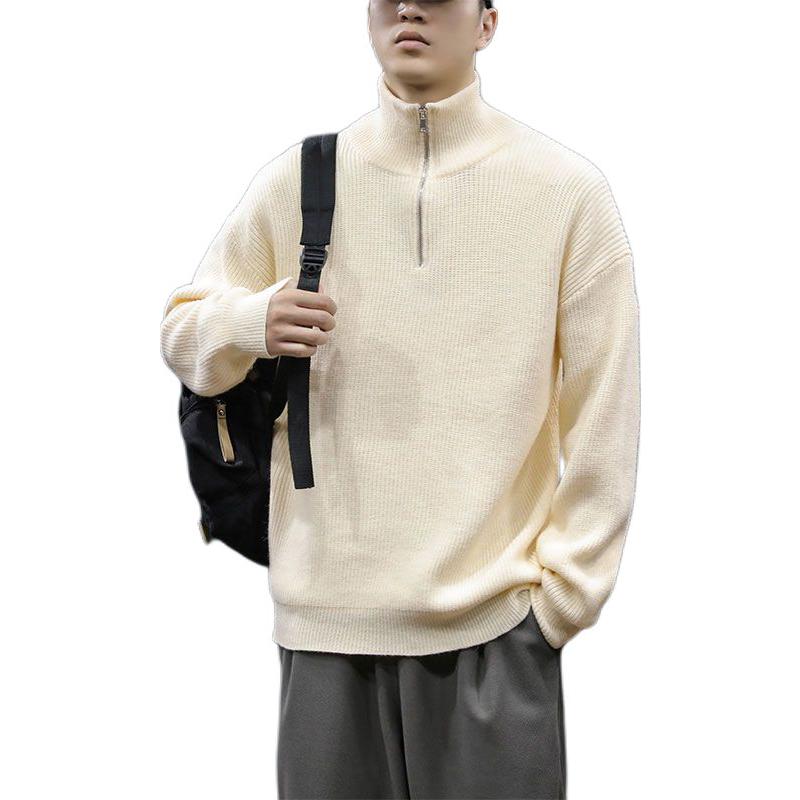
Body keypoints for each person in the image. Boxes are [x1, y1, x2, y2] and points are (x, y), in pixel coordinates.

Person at [159, 1, 641, 797]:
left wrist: (562, 601)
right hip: (324, 629)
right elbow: (183, 335)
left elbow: (604, 413)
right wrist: (250, 321)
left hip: (495, 629)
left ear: (487, 23)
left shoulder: (566, 193)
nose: (410, 7)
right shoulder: (300, 181)